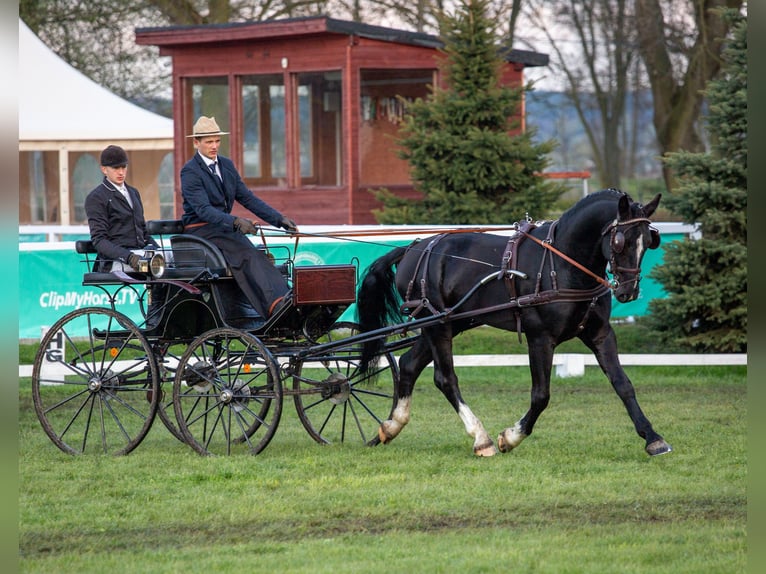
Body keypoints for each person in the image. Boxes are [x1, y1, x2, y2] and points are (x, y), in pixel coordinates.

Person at [180, 115, 298, 320]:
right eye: (209, 142)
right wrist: (235, 221)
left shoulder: (226, 165)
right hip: (201, 229)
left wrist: (279, 220)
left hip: (223, 228)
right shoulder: (190, 172)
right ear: (196, 142)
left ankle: (286, 297)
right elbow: (203, 209)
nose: (214, 146)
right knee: (246, 254)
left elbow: (248, 198)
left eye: (217, 140)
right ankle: (274, 304)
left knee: (256, 253)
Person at [84, 144, 165, 326]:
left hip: (140, 256)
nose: (121, 172)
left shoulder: (133, 193)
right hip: (115, 261)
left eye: (124, 167)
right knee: (160, 272)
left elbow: (143, 232)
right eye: (116, 168)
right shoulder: (96, 197)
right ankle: (155, 326)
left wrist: (157, 250)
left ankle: (163, 324)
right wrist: (129, 257)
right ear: (104, 169)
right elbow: (99, 240)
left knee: (175, 269)